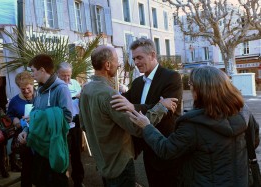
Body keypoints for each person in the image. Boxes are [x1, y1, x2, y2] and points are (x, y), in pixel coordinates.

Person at [126, 66, 260, 187]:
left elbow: (166, 150)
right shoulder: (244, 111)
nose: (189, 87)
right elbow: (253, 141)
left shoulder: (192, 124)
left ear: (200, 90)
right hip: (241, 181)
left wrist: (147, 126)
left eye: (190, 84)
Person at [79, 45, 177, 187]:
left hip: (103, 163)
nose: (119, 64)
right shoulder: (108, 94)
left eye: (139, 57)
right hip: (119, 165)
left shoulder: (87, 89)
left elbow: (84, 125)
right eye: (116, 60)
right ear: (107, 65)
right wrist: (161, 107)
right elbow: (137, 127)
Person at [111, 38, 183, 187]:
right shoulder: (137, 82)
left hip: (166, 146)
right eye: (134, 58)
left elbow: (169, 112)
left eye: (139, 57)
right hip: (146, 150)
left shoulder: (172, 77)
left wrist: (133, 107)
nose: (136, 62)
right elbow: (124, 100)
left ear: (152, 55)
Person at [18, 54, 73, 187]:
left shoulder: (61, 89)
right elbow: (33, 114)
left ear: (42, 70)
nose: (32, 75)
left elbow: (67, 116)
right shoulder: (40, 90)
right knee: (41, 181)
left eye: (33, 71)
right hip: (39, 145)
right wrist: (26, 130)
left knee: (57, 181)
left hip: (53, 145)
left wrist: (39, 117)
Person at [57, 62, 84, 187]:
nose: (67, 78)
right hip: (63, 124)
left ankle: (78, 181)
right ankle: (63, 181)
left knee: (77, 154)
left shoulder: (75, 83)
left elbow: (81, 99)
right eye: (63, 76)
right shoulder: (56, 86)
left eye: (68, 75)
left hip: (76, 122)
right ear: (58, 74)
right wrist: (74, 96)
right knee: (63, 154)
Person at [7, 71, 34, 187]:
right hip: (23, 137)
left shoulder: (40, 97)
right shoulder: (14, 101)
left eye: (28, 88)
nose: (26, 91)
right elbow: (10, 115)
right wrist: (14, 120)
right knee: (27, 166)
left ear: (33, 85)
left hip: (39, 136)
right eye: (23, 89)